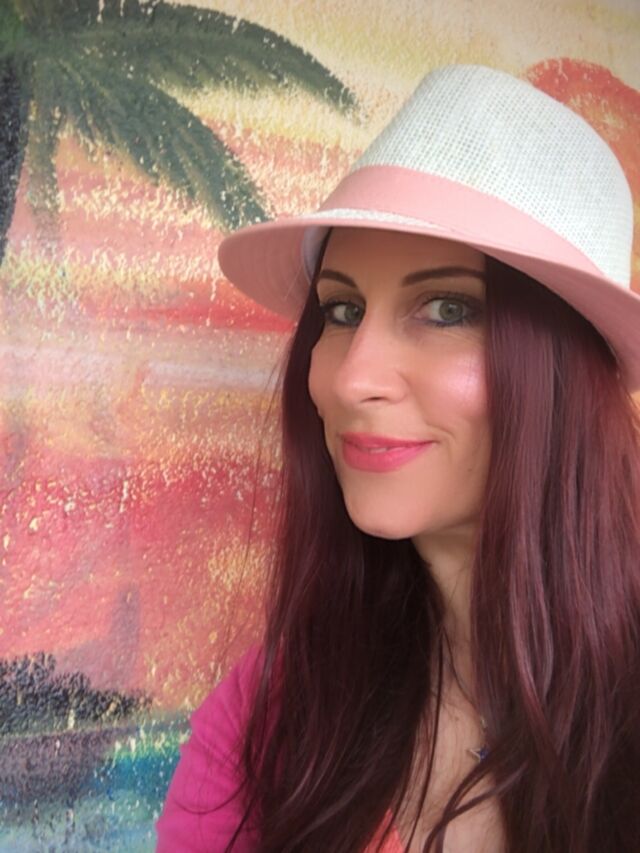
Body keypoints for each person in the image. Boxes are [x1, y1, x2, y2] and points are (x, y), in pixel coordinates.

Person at [156, 65, 640, 852]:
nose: (353, 378)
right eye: (342, 309)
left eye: (447, 308)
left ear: (566, 371)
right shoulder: (270, 715)